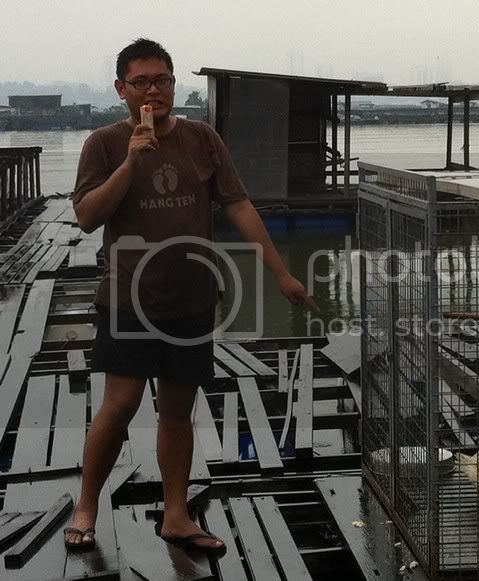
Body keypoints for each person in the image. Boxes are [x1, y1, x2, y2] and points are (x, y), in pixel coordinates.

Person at [65, 38, 316, 552]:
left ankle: (176, 516)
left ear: (175, 84)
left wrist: (281, 273)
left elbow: (239, 205)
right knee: (120, 404)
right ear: (122, 90)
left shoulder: (202, 139)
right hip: (129, 298)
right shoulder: (104, 144)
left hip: (193, 299)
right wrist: (132, 163)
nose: (154, 90)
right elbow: (89, 217)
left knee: (178, 410)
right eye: (142, 82)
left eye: (164, 79)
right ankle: (86, 506)